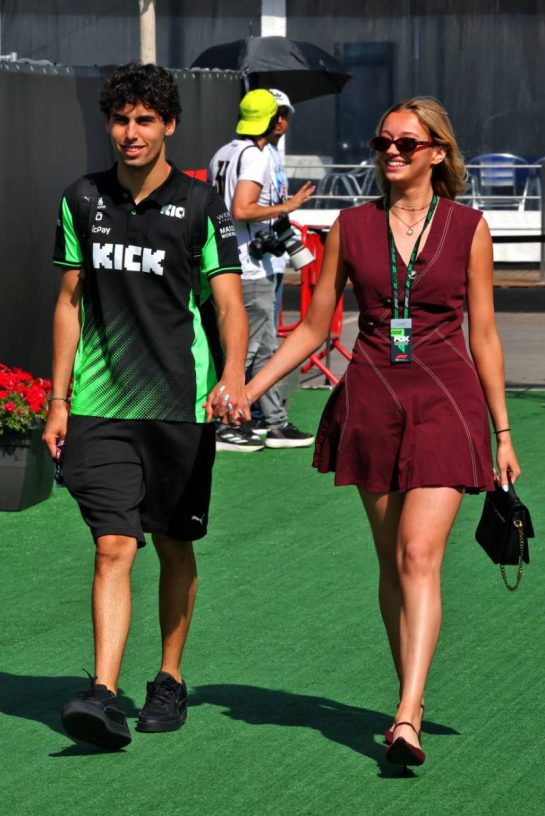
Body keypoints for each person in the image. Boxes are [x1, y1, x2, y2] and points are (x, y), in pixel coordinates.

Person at [245, 97, 521, 768]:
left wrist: (503, 432)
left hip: (445, 402)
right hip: (369, 400)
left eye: (406, 142)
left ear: (435, 152)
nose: (390, 151)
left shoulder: (468, 227)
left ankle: (404, 715)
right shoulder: (351, 225)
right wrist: (250, 390)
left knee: (418, 556)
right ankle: (411, 699)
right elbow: (314, 327)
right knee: (390, 564)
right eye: (382, 141)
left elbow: (482, 334)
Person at [43, 62, 249, 751]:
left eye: (144, 121)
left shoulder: (200, 206)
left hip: (180, 407)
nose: (130, 134)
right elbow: (69, 303)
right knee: (112, 546)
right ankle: (102, 692)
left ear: (168, 126)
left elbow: (226, 303)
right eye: (120, 120)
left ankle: (167, 676)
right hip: (102, 407)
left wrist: (233, 377)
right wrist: (59, 399)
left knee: (173, 544)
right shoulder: (81, 199)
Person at [208, 89, 316, 452]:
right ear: (271, 121)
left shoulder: (224, 152)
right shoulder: (255, 155)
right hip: (248, 268)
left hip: (231, 261)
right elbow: (242, 209)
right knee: (248, 350)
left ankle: (273, 422)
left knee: (263, 347)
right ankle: (224, 423)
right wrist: (290, 204)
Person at [266, 89, 294, 328]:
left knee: (269, 335)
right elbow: (241, 208)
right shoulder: (257, 153)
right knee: (259, 341)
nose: (280, 120)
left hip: (276, 253)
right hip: (257, 261)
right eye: (275, 114)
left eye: (284, 114)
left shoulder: (273, 153)